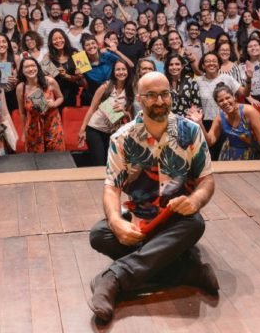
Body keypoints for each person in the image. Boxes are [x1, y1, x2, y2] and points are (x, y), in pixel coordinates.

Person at [88, 72, 217, 323]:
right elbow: (111, 189)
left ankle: (113, 278)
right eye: (151, 95)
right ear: (139, 99)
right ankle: (184, 269)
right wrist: (116, 221)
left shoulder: (190, 132)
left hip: (177, 220)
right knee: (100, 234)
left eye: (164, 94)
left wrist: (196, 201)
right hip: (142, 219)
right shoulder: (122, 138)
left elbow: (207, 181)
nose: (159, 101)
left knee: (195, 223)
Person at [193, 84, 260, 161]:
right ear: (217, 104)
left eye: (227, 98)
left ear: (234, 97)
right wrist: (200, 124)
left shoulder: (249, 111)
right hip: (229, 156)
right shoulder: (220, 118)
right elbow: (210, 141)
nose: (225, 102)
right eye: (221, 101)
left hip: (252, 156)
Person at [77, 60, 134, 165]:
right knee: (99, 163)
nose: (121, 72)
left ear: (128, 71)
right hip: (95, 129)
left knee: (110, 164)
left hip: (113, 133)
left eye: (123, 69)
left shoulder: (131, 90)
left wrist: (124, 113)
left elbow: (130, 117)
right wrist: (82, 129)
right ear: (113, 72)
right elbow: (92, 109)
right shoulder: (105, 86)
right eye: (118, 69)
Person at [16, 57, 65, 153]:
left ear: (38, 67)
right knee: (37, 161)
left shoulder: (49, 81)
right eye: (26, 67)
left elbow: (61, 97)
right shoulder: (20, 88)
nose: (30, 69)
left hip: (52, 124)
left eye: (33, 66)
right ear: (22, 70)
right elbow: (22, 112)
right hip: (33, 128)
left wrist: (54, 104)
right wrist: (24, 131)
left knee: (56, 160)